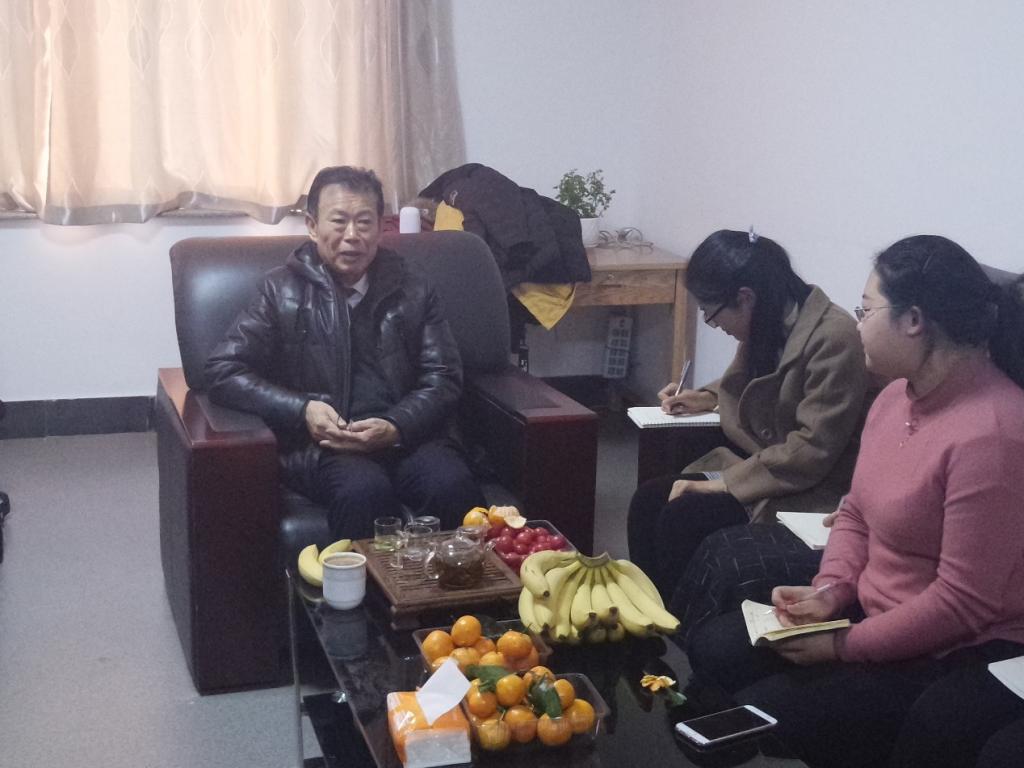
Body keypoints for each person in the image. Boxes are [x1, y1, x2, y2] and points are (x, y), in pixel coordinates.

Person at [687, 236, 1024, 768]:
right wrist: (830, 590)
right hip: (871, 611)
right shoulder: (893, 398)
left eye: (866, 311)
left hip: (951, 646)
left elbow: (962, 604)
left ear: (914, 321)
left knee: (761, 713)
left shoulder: (994, 436)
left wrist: (844, 646)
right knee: (715, 647)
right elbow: (855, 512)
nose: (858, 324)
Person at [205, 166, 485, 539]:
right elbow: (223, 370)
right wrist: (302, 410)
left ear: (381, 227)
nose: (352, 235)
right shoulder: (280, 290)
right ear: (312, 226)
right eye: (338, 221)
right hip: (325, 445)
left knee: (452, 485)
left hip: (407, 436)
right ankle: (365, 582)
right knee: (364, 492)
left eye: (364, 222)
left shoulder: (414, 288)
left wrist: (396, 425)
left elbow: (444, 377)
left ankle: (468, 580)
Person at [627, 229, 869, 598]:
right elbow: (749, 383)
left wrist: (724, 484)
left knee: (682, 516)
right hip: (765, 465)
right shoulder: (773, 317)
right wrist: (706, 396)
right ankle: (648, 615)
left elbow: (811, 450)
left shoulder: (834, 338)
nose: (712, 322)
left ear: (745, 298)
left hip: (808, 486)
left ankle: (678, 619)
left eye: (710, 312)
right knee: (648, 502)